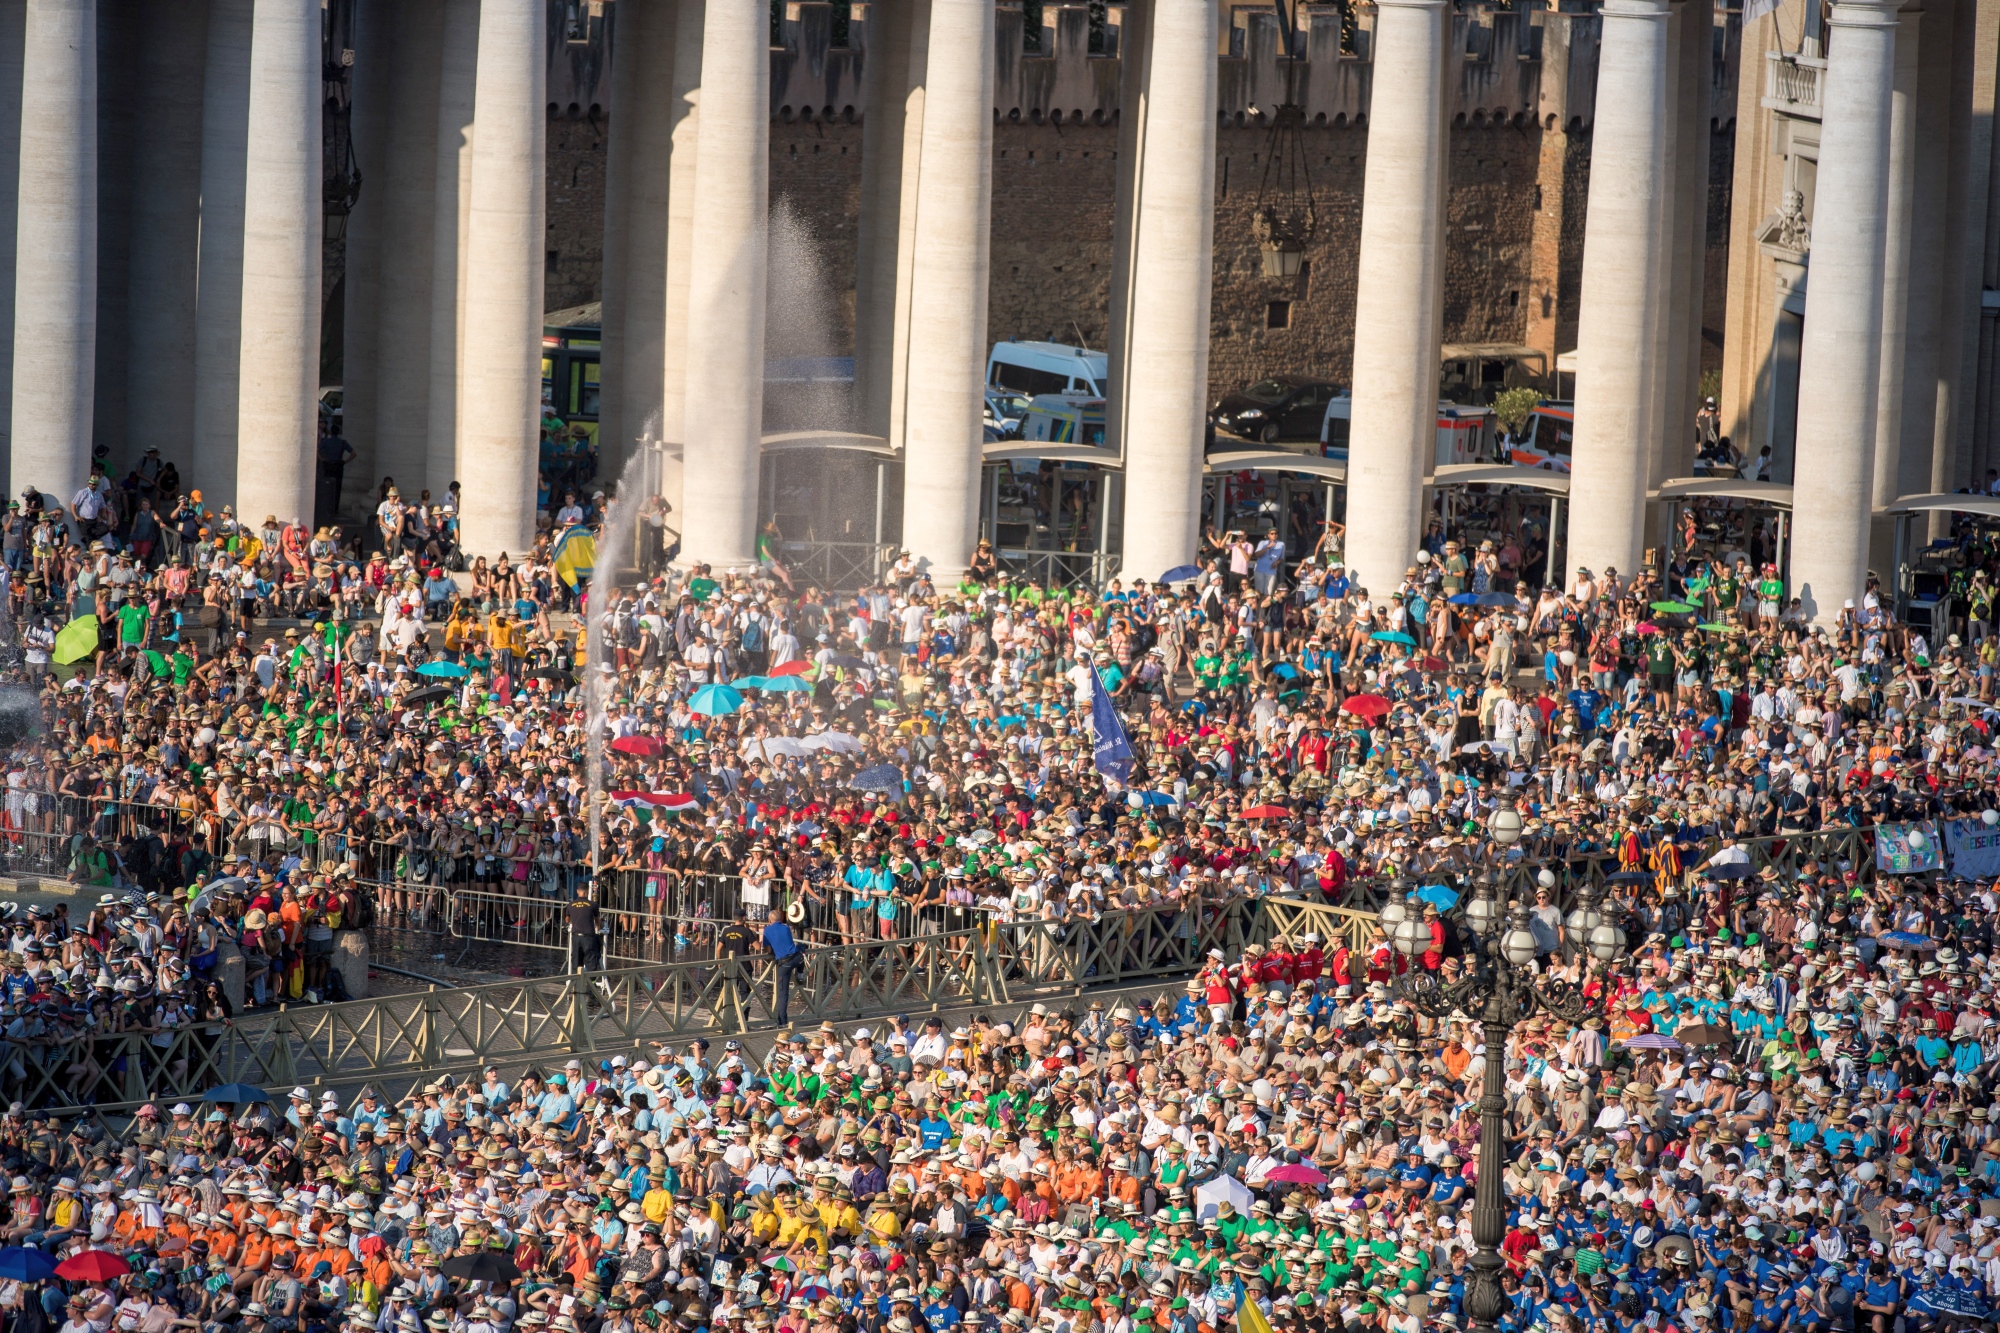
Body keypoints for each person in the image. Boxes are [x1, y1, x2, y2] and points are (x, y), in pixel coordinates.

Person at [762, 906, 804, 1026]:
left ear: (770, 920)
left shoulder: (767, 930)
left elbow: (769, 949)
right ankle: (800, 974)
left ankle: (782, 1021)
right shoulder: (786, 928)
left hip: (784, 963)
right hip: (797, 958)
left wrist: (770, 952)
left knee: (783, 993)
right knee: (801, 949)